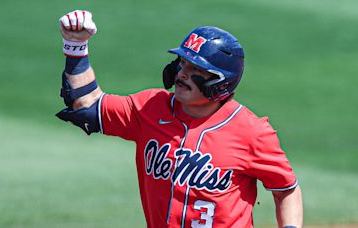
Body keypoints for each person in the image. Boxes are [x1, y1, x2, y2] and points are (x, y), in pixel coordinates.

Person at [56, 10, 303, 228]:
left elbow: (286, 189)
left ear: (220, 81)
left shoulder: (252, 132)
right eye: (183, 63)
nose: (183, 74)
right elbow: (87, 106)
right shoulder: (149, 108)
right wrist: (75, 46)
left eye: (196, 69)